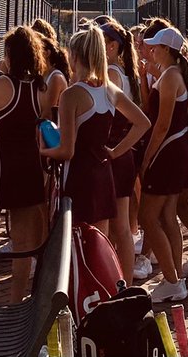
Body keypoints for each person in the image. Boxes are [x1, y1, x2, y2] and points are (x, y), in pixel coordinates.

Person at [42, 27, 149, 236]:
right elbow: (142, 122)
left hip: (79, 176)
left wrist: (43, 151)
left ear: (75, 56)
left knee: (74, 241)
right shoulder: (109, 89)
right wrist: (115, 152)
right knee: (100, 241)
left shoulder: (72, 94)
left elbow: (67, 151)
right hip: (103, 173)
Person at [0, 26, 51, 301]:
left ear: (9, 54)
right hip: (28, 171)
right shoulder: (41, 89)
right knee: (22, 244)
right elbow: (41, 134)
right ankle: (16, 302)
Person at [138, 27, 188, 303]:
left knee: (147, 217)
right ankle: (176, 279)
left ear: (168, 50)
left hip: (168, 151)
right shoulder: (170, 74)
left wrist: (147, 157)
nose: (151, 49)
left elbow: (162, 124)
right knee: (168, 215)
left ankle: (172, 280)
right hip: (175, 150)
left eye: (156, 46)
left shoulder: (171, 76)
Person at [100, 18, 147, 283]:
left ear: (112, 46)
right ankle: (122, 279)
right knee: (119, 226)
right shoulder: (120, 71)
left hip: (116, 153)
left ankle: (125, 281)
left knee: (119, 226)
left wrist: (116, 150)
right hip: (119, 153)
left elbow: (127, 118)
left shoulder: (113, 74)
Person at [38, 35, 70, 123]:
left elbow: (48, 114)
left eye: (36, 51)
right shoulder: (40, 75)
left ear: (47, 53)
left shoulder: (55, 78)